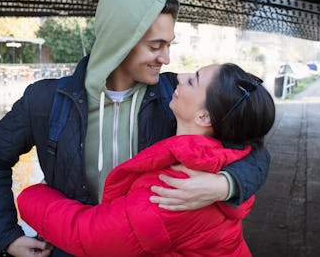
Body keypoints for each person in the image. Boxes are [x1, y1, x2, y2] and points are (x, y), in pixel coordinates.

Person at [0, 0, 271, 257]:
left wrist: (225, 184)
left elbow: (252, 149)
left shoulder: (175, 99)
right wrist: (6, 235)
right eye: (156, 46)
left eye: (169, 45)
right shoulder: (43, 100)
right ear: (120, 42)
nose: (166, 58)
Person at [17, 63, 276, 256]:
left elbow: (90, 236)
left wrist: (31, 197)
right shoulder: (222, 155)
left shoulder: (175, 189)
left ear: (204, 118)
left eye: (194, 80)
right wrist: (228, 184)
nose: (181, 75)